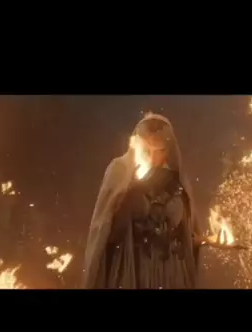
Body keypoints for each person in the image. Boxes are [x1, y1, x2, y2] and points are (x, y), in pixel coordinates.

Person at [82, 114, 202, 289]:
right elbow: (106, 229)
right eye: (147, 150)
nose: (153, 158)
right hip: (133, 270)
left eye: (159, 150)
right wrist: (129, 192)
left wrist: (200, 239)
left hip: (172, 273)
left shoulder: (178, 180)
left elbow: (187, 234)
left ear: (168, 149)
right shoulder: (120, 171)